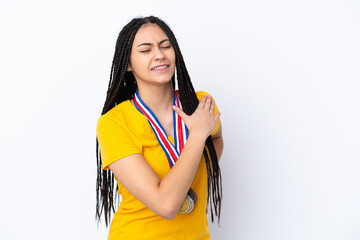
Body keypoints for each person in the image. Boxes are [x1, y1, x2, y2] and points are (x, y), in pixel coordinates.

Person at [96, 16, 224, 239]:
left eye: (166, 46)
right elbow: (165, 205)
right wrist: (197, 135)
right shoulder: (114, 123)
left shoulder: (201, 104)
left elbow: (217, 139)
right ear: (127, 64)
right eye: (145, 50)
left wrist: (201, 180)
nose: (159, 54)